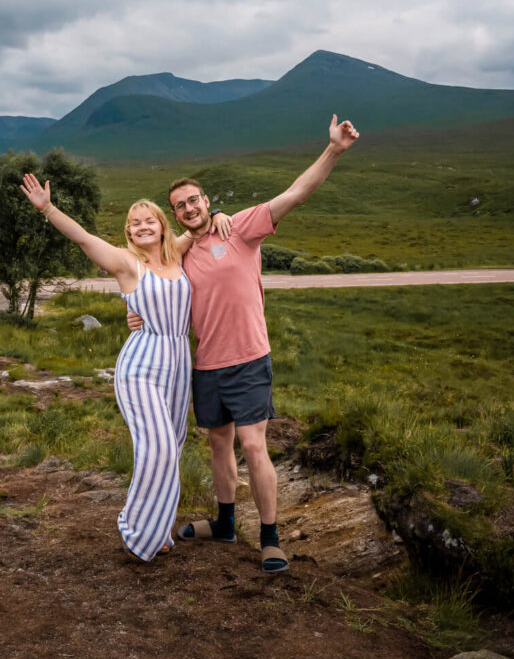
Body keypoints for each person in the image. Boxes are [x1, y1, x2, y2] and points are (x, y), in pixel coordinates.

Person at [127, 114, 359, 573]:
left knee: (254, 445)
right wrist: (135, 313)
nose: (190, 208)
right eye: (180, 205)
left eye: (195, 200)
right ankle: (225, 522)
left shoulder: (242, 228)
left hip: (250, 357)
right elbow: (148, 276)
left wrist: (333, 149)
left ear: (207, 201)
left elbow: (296, 193)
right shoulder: (180, 252)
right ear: (174, 214)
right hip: (207, 364)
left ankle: (271, 538)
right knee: (218, 442)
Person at [19, 173, 232, 562]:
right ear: (129, 234)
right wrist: (48, 209)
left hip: (178, 367)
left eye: (150, 219)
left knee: (174, 447)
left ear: (162, 226)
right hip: (141, 367)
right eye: (135, 223)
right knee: (159, 449)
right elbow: (83, 238)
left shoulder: (177, 253)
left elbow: (199, 228)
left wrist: (215, 212)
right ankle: (134, 532)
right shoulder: (126, 263)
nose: (143, 226)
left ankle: (157, 531)